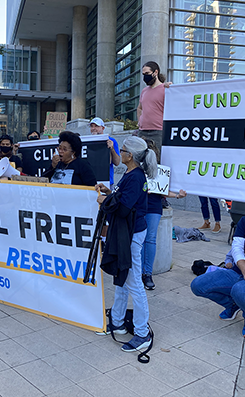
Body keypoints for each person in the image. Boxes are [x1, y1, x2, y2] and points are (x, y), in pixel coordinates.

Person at [96, 136, 158, 352]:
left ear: (129, 156)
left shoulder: (135, 177)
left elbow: (123, 209)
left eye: (121, 150)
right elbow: (124, 200)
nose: (119, 153)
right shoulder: (132, 174)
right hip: (128, 232)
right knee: (122, 279)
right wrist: (108, 193)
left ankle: (142, 334)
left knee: (133, 283)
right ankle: (118, 321)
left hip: (131, 234)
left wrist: (106, 202)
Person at [190, 191, 245, 338]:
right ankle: (232, 305)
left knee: (240, 290)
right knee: (197, 285)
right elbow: (236, 249)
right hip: (238, 273)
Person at [141, 138, 186, 291]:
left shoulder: (160, 170)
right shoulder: (136, 169)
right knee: (139, 239)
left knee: (150, 239)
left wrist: (178, 196)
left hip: (153, 206)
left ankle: (147, 273)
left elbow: (163, 189)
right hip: (139, 206)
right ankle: (139, 271)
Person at [137, 61, 167, 152]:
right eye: (143, 74)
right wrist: (139, 121)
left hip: (158, 131)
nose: (145, 76)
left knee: (156, 161)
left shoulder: (165, 89)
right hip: (142, 132)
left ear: (156, 72)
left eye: (147, 73)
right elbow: (139, 108)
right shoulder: (144, 91)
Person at [89, 117, 120, 188]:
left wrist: (111, 148)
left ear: (103, 128)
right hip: (91, 180)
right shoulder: (88, 141)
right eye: (92, 126)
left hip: (107, 181)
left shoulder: (111, 141)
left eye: (96, 126)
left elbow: (117, 162)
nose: (93, 128)